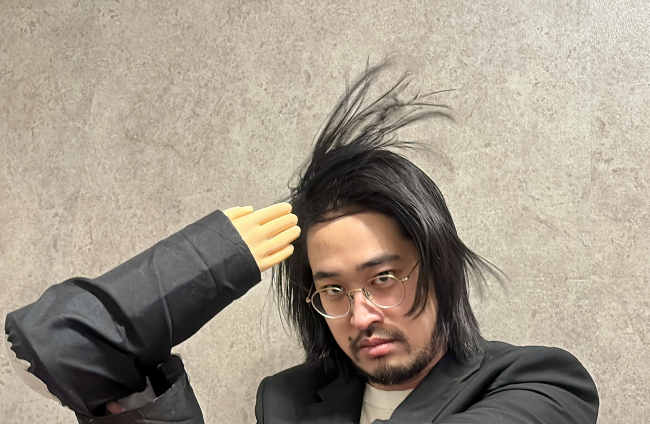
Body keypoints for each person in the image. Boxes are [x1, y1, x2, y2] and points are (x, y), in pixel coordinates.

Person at [5, 64, 599, 423]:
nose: (360, 315)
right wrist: (200, 263)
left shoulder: (542, 383)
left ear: (439, 268)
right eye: (332, 290)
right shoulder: (286, 401)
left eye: (383, 278)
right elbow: (60, 346)